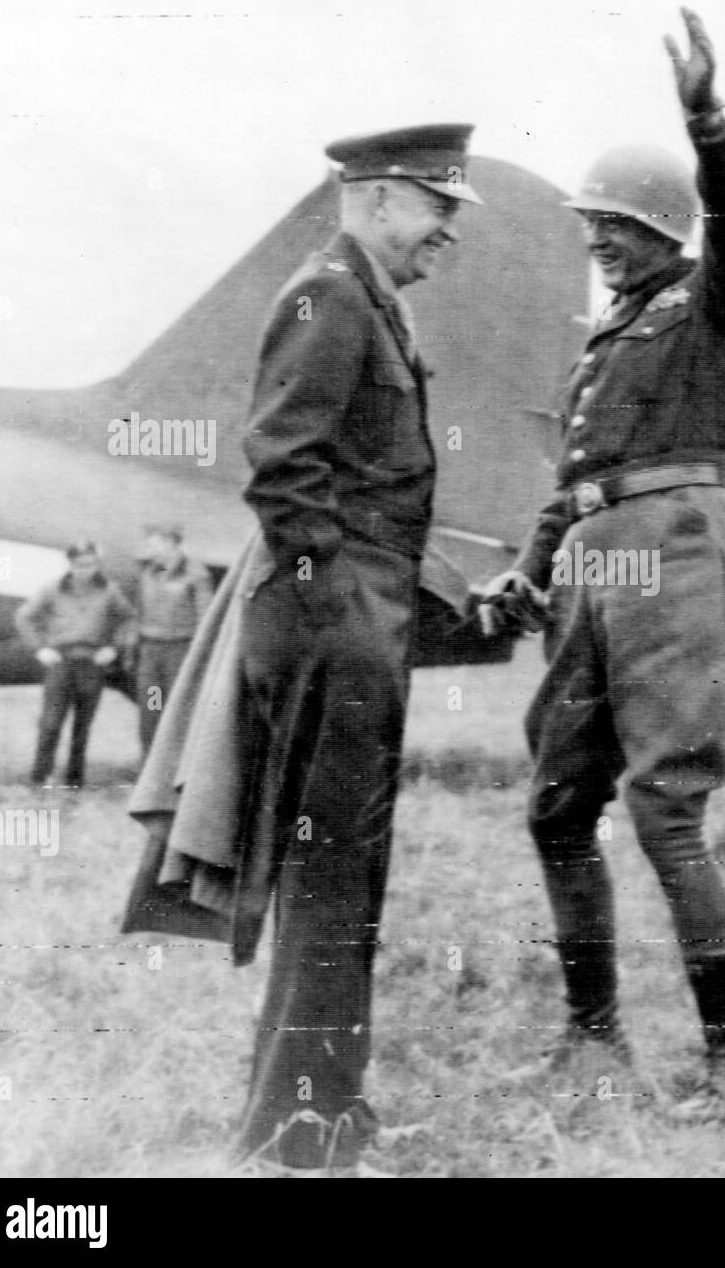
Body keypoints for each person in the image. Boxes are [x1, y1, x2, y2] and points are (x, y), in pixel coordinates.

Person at [481, 8, 725, 1124]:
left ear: (663, 228)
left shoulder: (712, 305)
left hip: (676, 560)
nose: (595, 238)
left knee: (664, 812)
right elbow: (574, 479)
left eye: (614, 223)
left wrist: (708, 123)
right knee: (559, 806)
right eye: (589, 221)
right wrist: (527, 567)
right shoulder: (608, 336)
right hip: (593, 569)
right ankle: (592, 1036)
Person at [234, 123, 482, 1172]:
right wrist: (339, 616)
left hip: (364, 622)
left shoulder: (366, 298)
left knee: (345, 875)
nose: (446, 234)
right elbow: (283, 469)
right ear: (379, 198)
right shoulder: (329, 296)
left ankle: (330, 1107)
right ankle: (299, 1127)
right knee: (329, 877)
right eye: (437, 207)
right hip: (337, 631)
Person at [16, 541, 134, 787]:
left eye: (90, 564)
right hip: (61, 664)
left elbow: (128, 619)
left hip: (92, 666)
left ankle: (75, 780)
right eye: (79, 565)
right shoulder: (52, 589)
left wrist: (113, 648)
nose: (85, 570)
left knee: (82, 727)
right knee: (50, 724)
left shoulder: (110, 591)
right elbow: (24, 617)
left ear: (96, 564)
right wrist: (40, 649)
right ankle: (39, 780)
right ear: (70, 564)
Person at [133, 523, 213, 754]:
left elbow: (205, 616)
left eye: (154, 541)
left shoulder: (195, 573)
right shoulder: (150, 571)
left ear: (170, 542)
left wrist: (199, 654)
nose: (149, 547)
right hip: (152, 652)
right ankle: (150, 763)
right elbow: (140, 610)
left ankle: (178, 768)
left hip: (180, 651)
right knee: (152, 706)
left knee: (179, 708)